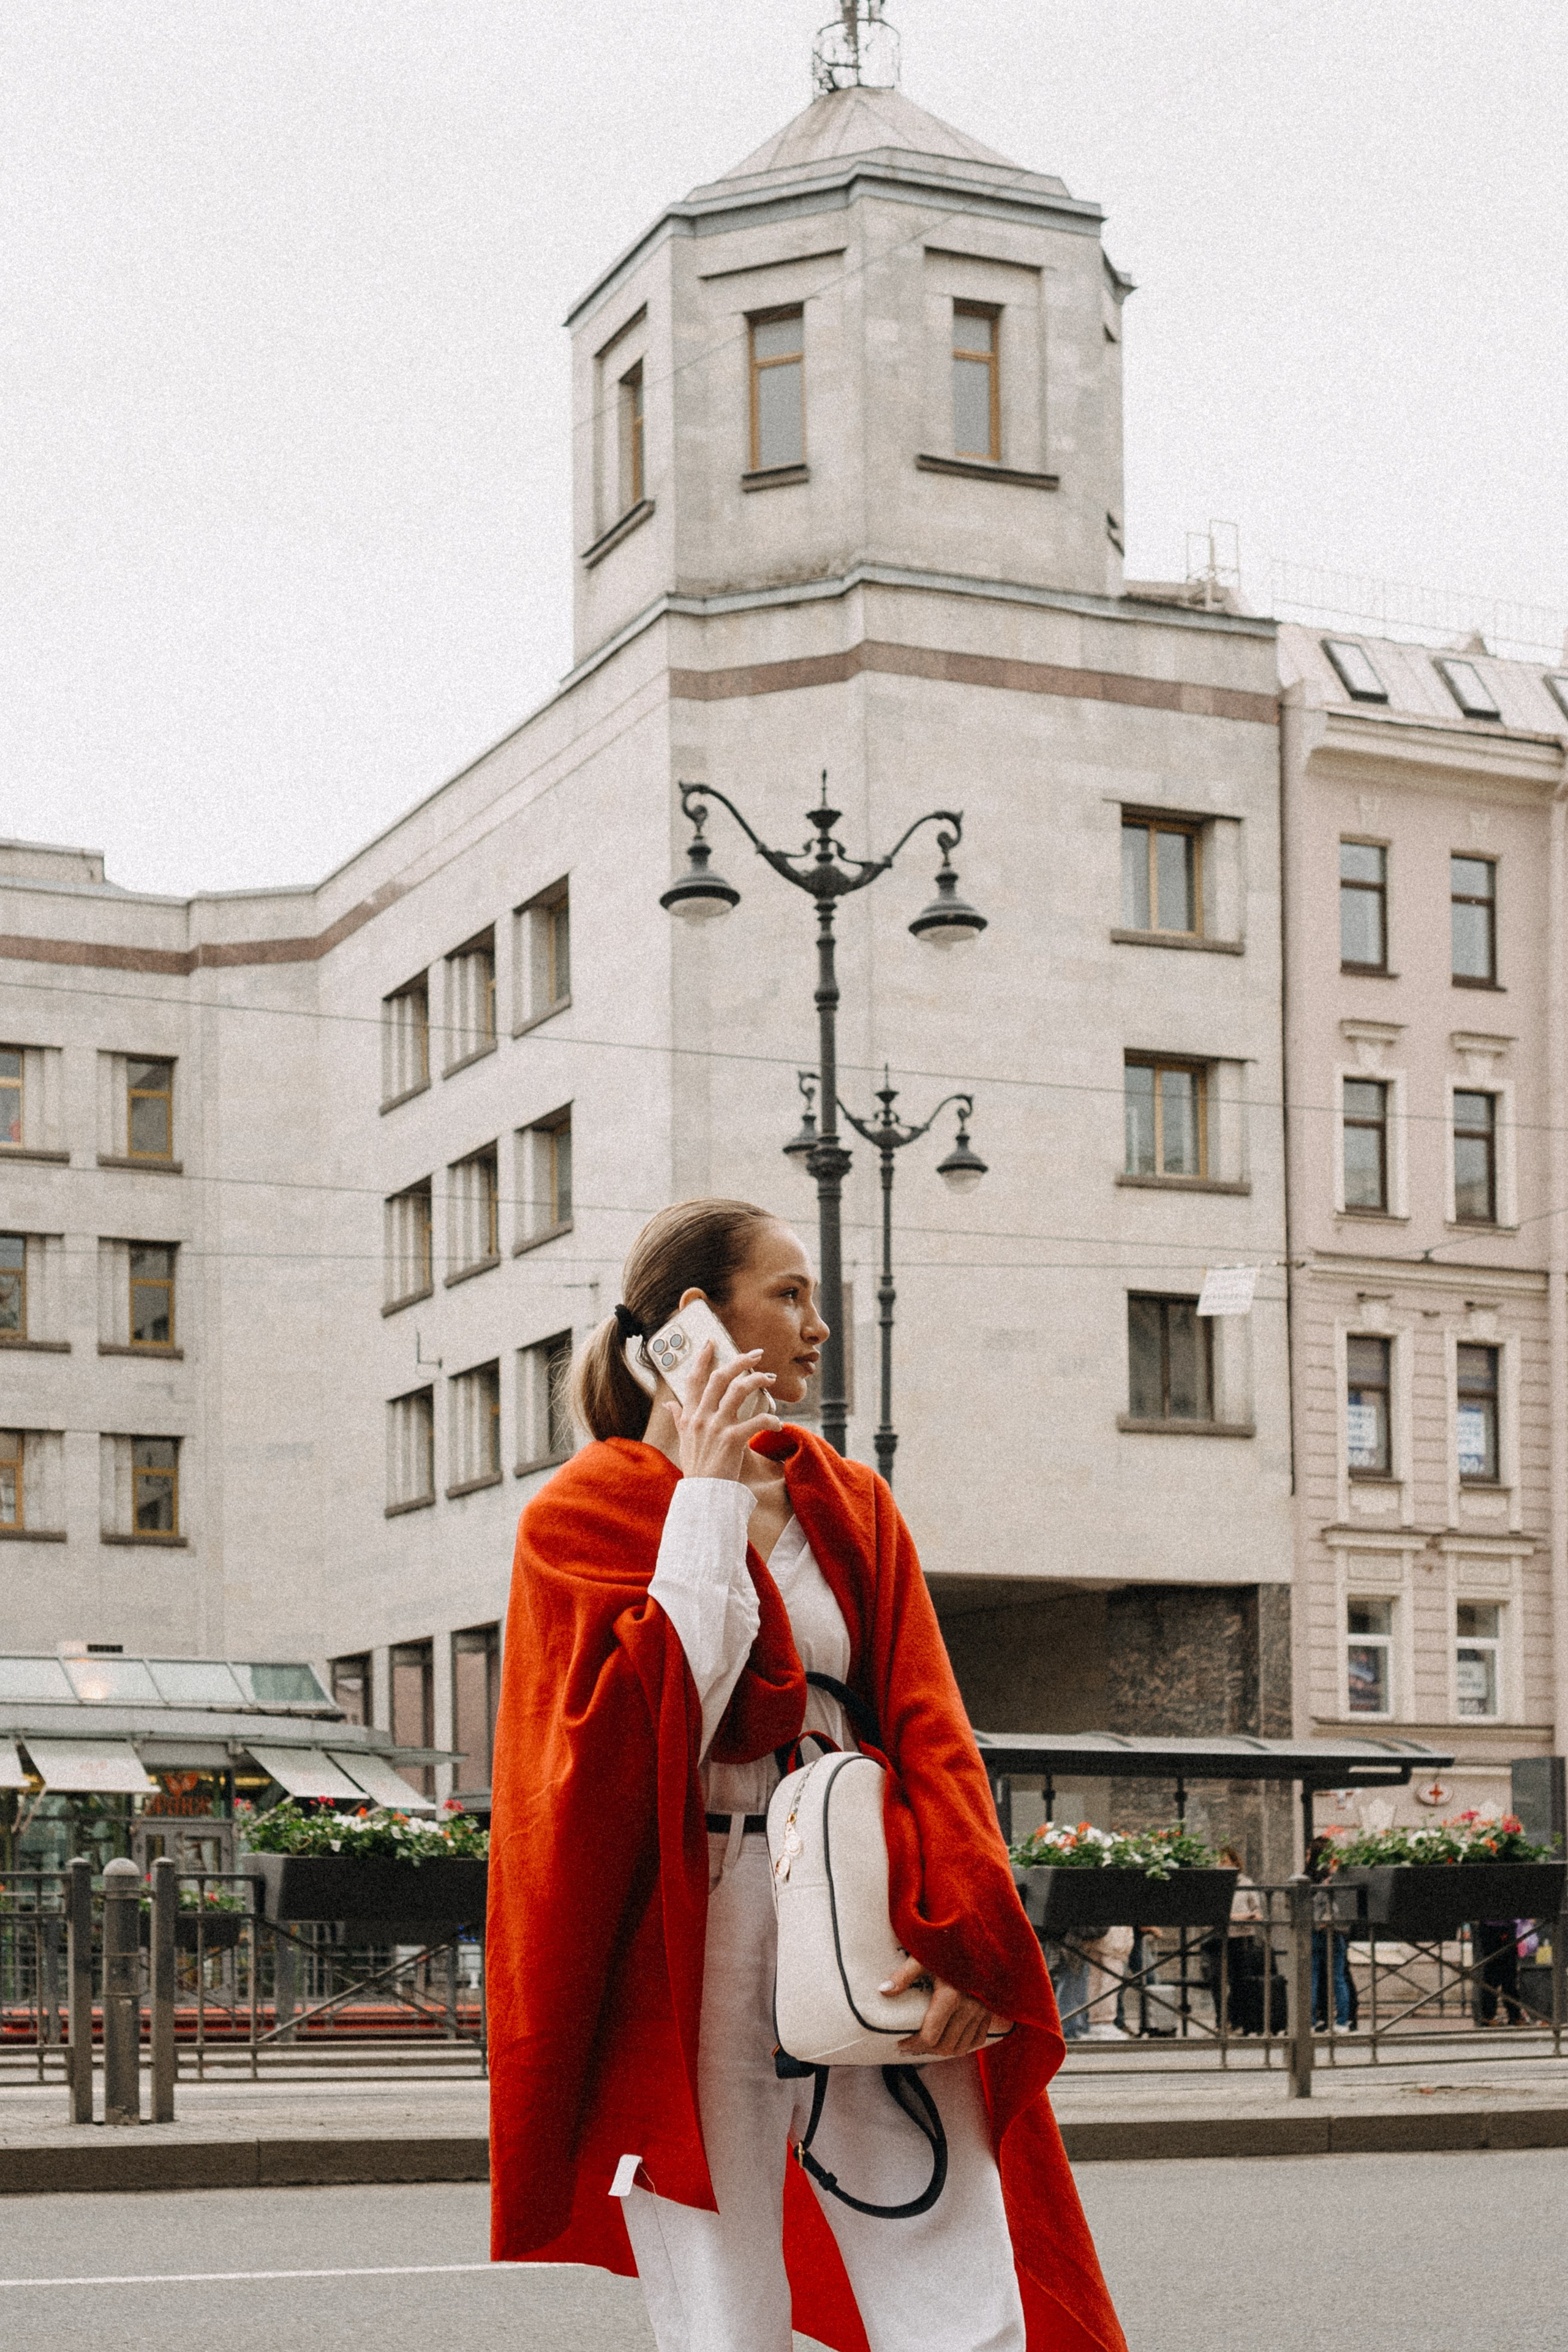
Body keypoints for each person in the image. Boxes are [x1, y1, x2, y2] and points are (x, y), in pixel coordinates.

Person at [486, 1200, 1126, 2352]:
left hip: (867, 1903)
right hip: (695, 1937)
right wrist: (706, 1499)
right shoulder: (579, 1516)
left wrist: (969, 1928)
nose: (819, 1328)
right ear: (696, 1321)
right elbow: (626, 1746)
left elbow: (935, 1732)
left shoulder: (851, 1500)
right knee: (729, 2309)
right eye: (789, 1297)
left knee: (962, 2266)